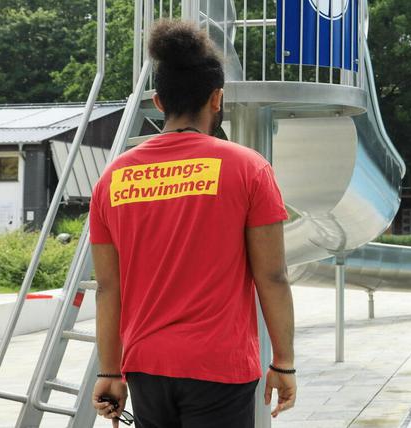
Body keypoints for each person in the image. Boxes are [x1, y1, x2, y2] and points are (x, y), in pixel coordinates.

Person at [90, 20, 296, 427]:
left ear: (158, 101)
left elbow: (107, 287)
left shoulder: (113, 178)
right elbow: (271, 276)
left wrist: (110, 372)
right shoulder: (248, 169)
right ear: (216, 98)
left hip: (147, 364)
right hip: (219, 365)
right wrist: (284, 363)